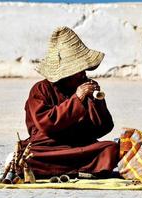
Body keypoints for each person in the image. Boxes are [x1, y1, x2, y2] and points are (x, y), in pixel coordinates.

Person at [18, 26, 119, 178]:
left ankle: (69, 170)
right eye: (80, 71)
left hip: (78, 146)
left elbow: (103, 128)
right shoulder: (40, 89)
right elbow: (47, 124)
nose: (84, 74)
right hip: (49, 148)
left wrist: (97, 102)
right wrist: (77, 99)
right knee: (27, 157)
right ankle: (81, 170)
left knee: (110, 148)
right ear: (67, 73)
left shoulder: (83, 88)